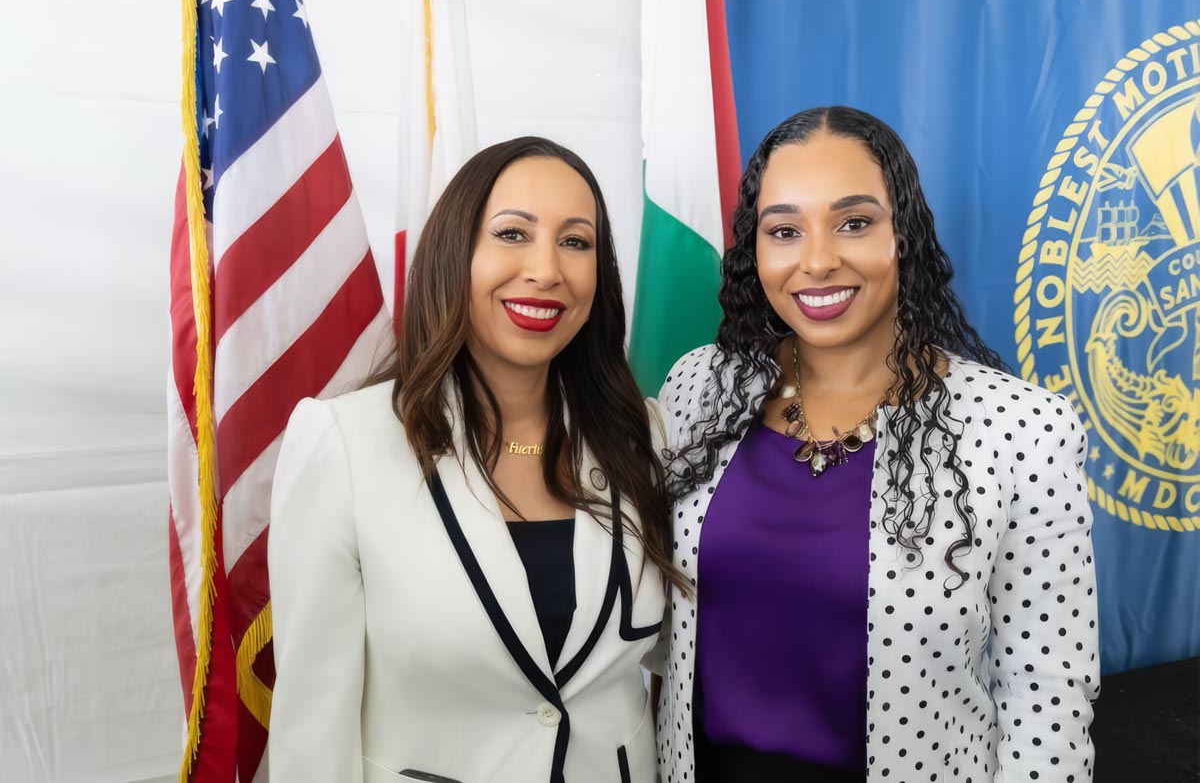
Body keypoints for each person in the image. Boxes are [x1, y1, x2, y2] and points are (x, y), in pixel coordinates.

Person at [654, 107, 1100, 783]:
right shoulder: (698, 387)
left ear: (905, 236)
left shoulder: (1023, 429)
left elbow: (1048, 697)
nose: (817, 259)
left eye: (854, 222)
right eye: (784, 230)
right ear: (756, 248)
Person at [268, 137, 681, 783]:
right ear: (454, 252)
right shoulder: (344, 443)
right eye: (513, 233)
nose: (547, 269)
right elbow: (311, 731)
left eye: (576, 242)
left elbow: (679, 655)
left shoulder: (644, 435)